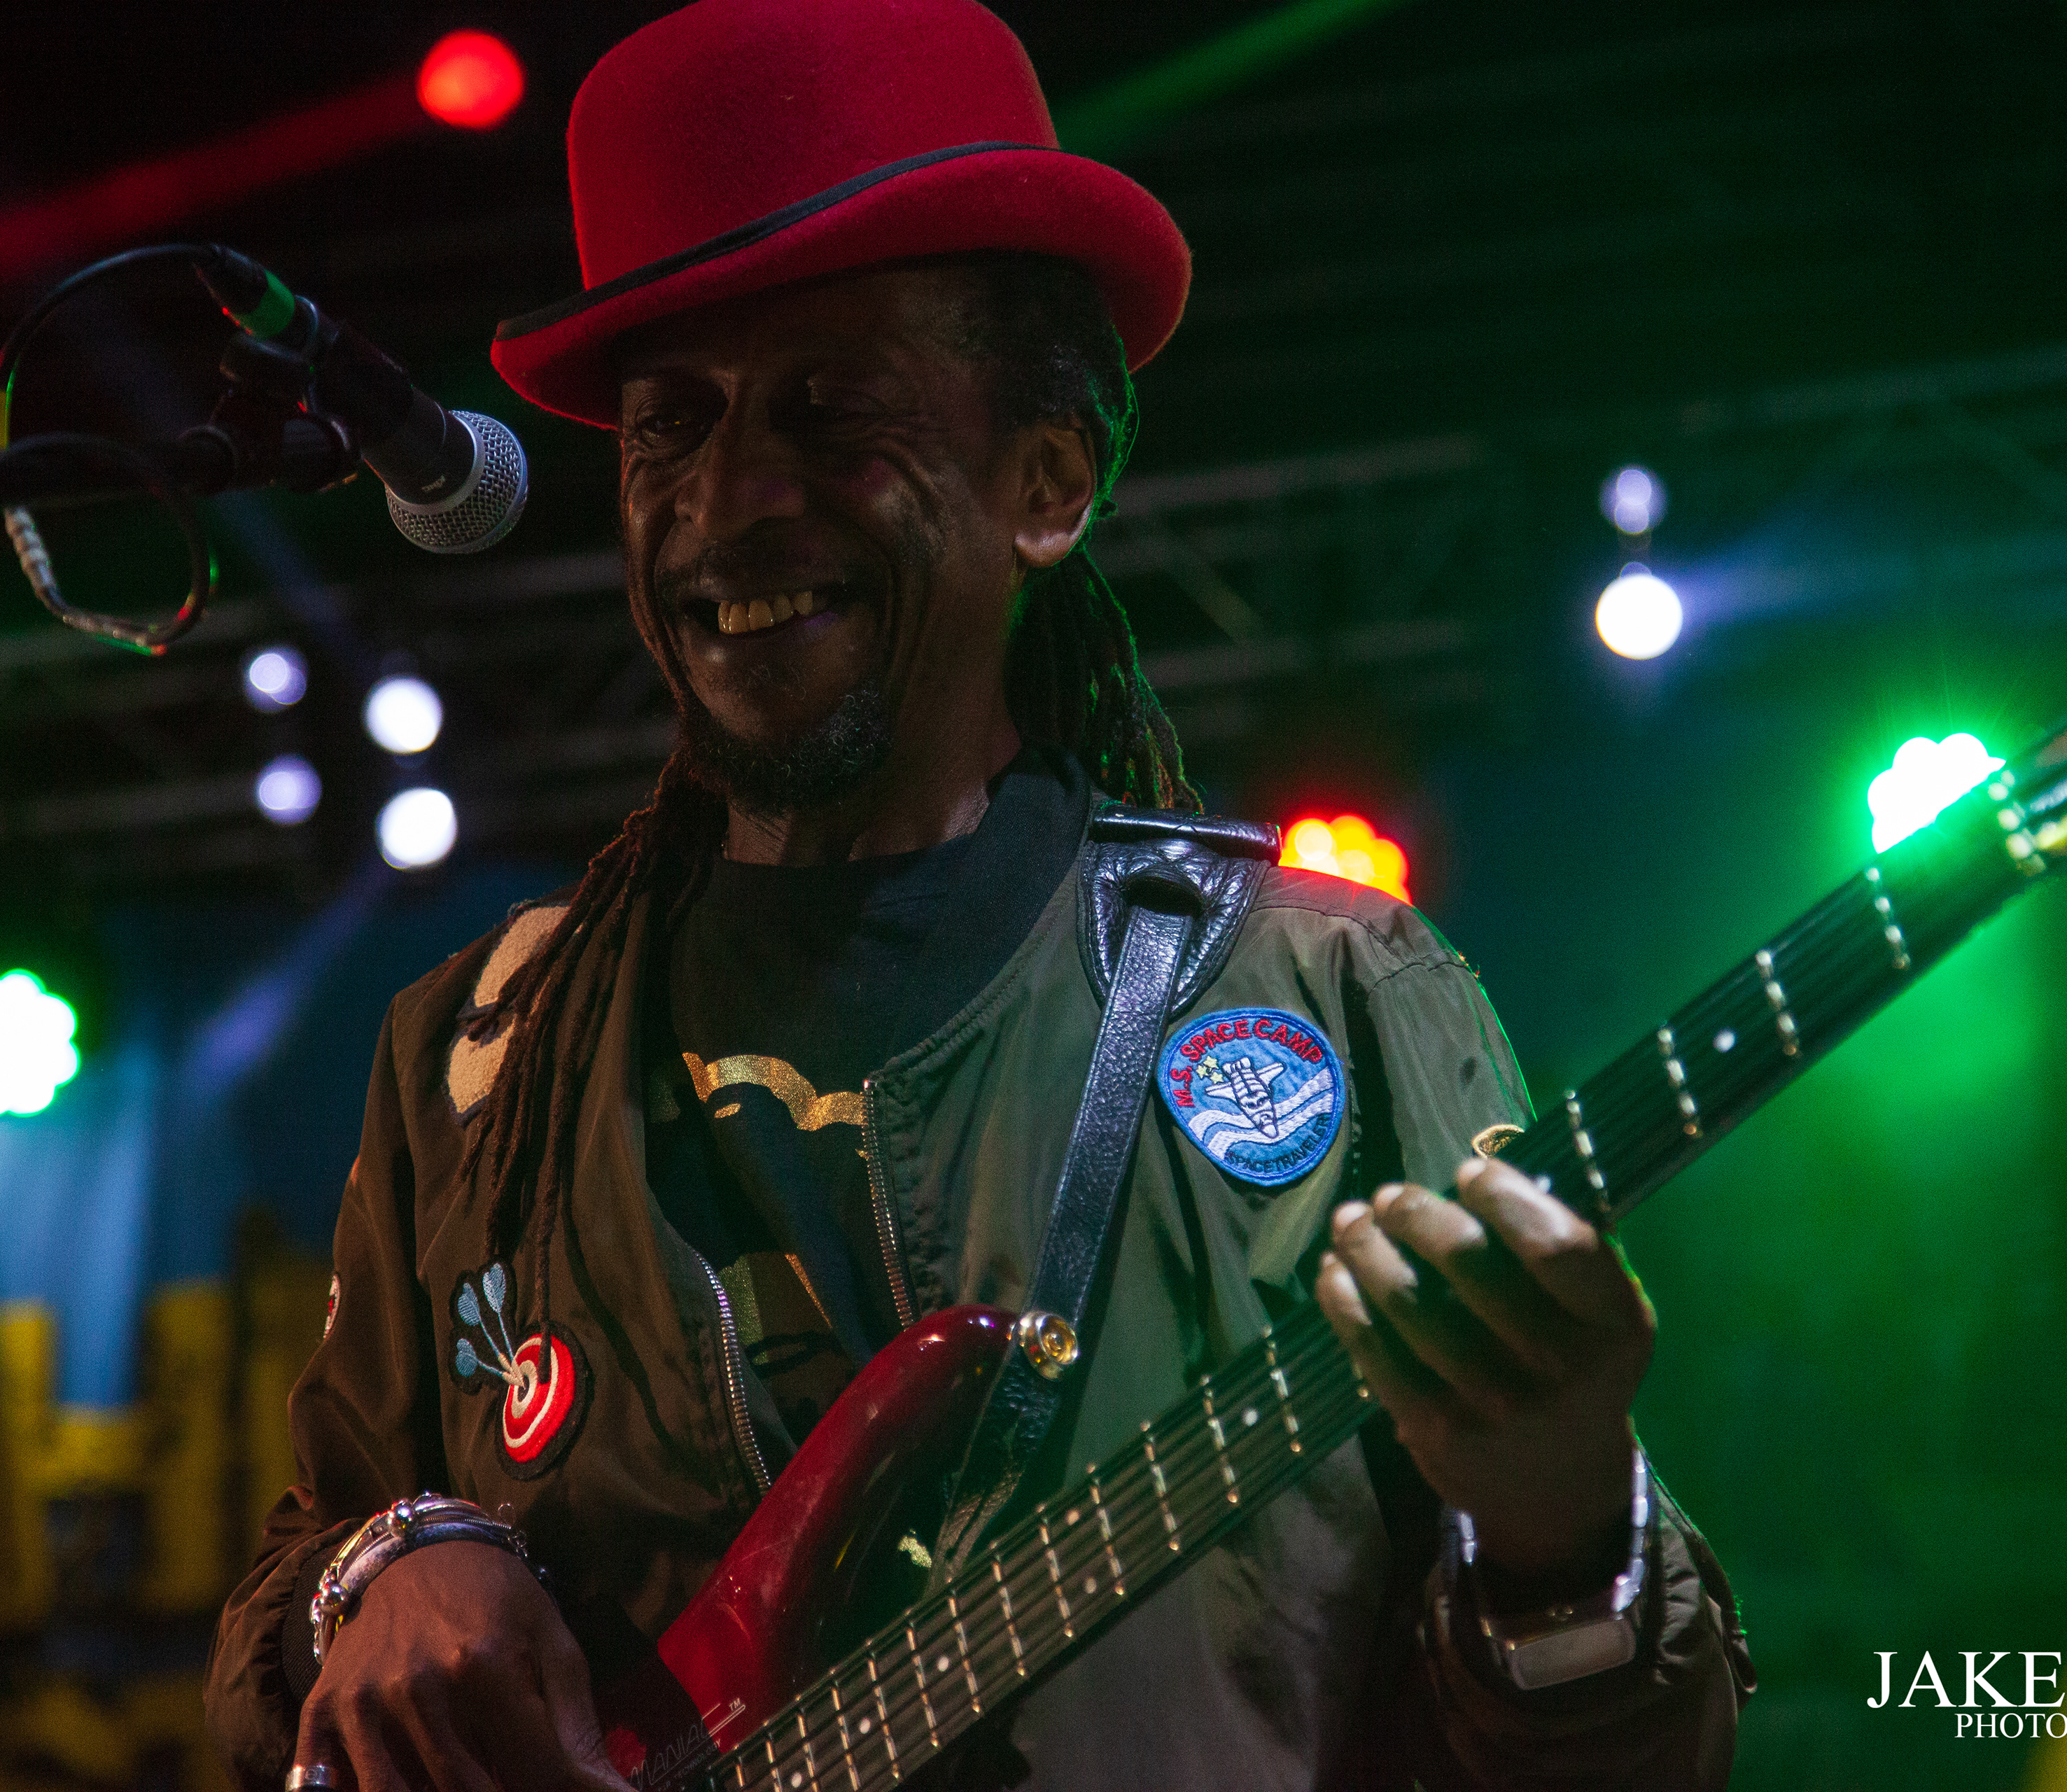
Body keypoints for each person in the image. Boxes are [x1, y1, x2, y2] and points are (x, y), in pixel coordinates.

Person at [205, 2, 1753, 1786]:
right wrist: (388, 1568)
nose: (726, 504)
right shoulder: (476, 1057)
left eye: (830, 412)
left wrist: (1563, 1527)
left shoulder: (1331, 991)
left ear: (1048, 482)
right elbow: (272, 1662)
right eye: (669, 427)